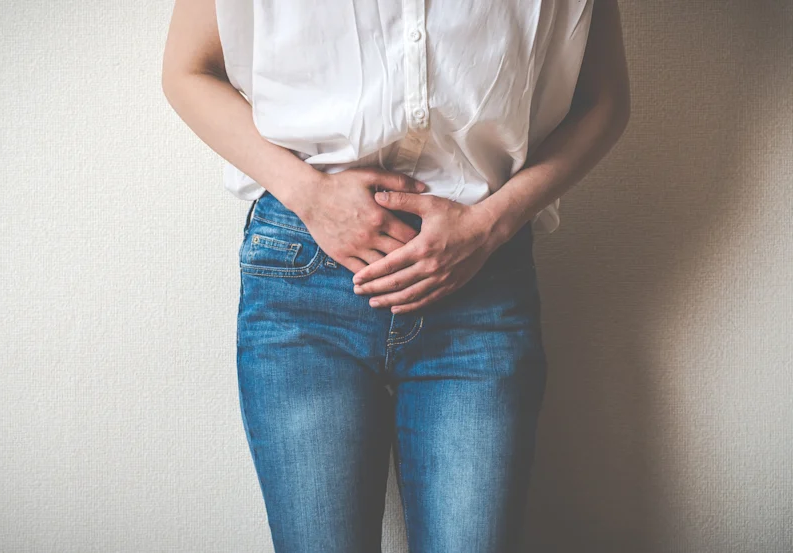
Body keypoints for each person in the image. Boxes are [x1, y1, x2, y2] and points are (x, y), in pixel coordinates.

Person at [162, 0, 630, 550]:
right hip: (303, 276)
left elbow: (603, 101)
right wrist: (310, 195)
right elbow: (187, 70)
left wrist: (489, 226)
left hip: (479, 285)